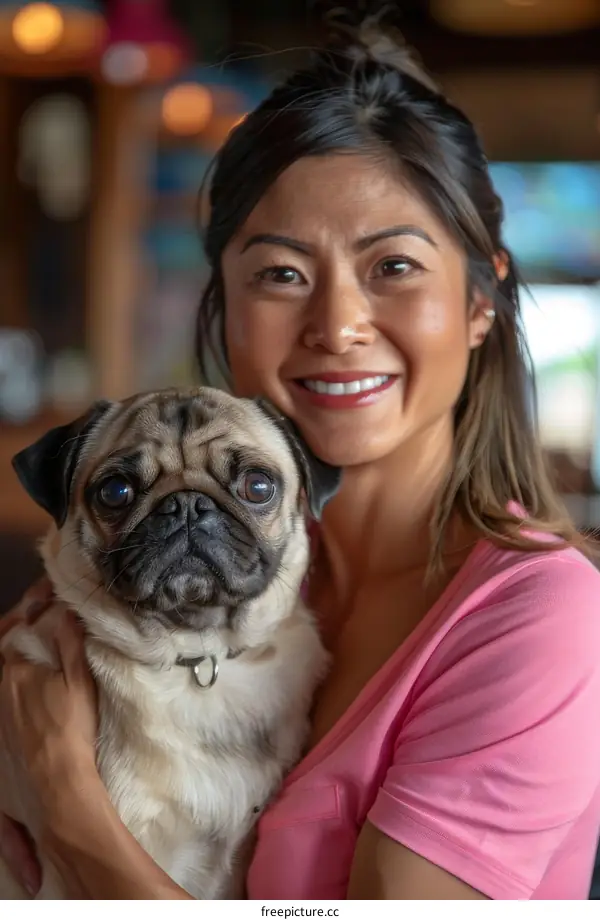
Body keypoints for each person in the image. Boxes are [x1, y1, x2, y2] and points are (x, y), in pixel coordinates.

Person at [1, 12, 600, 901]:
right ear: (225, 304)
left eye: (393, 266)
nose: (338, 325)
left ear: (480, 301)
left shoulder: (543, 617)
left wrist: (75, 809)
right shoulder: (191, 584)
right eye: (280, 273)